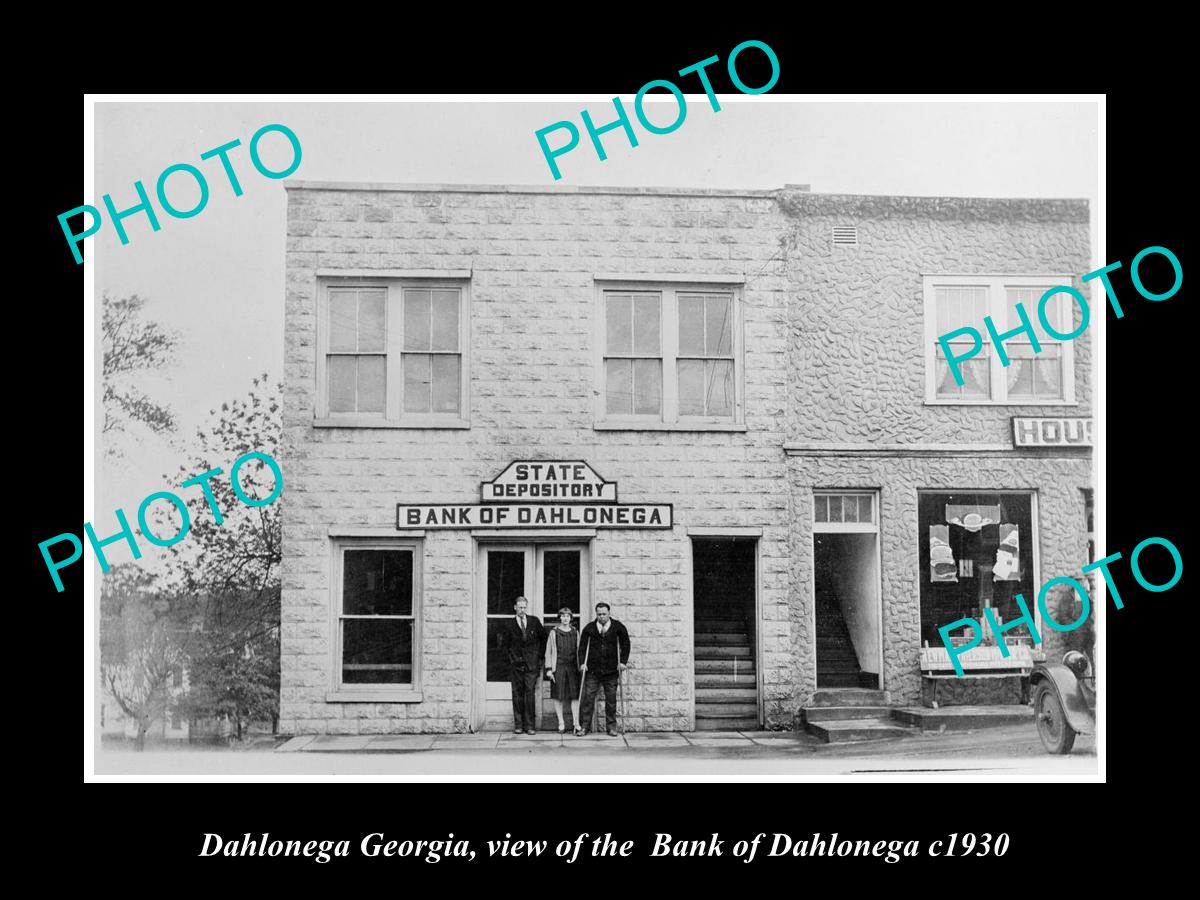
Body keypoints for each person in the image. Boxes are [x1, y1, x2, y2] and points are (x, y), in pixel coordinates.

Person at [578, 602, 631, 736]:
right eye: (599, 614)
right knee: (588, 699)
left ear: (609, 613)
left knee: (611, 700)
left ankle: (612, 728)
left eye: (604, 614)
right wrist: (582, 663)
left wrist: (623, 662)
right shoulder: (589, 628)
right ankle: (584, 727)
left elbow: (626, 644)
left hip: (611, 671)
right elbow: (582, 647)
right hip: (593, 671)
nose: (601, 617)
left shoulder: (618, 627)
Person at [506, 596, 546, 734]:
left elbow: (543, 639)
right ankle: (518, 725)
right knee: (517, 695)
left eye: (524, 607)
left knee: (529, 694)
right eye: (520, 607)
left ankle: (530, 726)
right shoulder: (509, 624)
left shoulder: (534, 621)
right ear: (515, 607)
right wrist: (512, 659)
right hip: (516, 666)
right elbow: (504, 645)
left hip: (531, 666)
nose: (522, 610)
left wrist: (539, 658)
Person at [544, 607, 582, 735]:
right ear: (559, 617)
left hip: (572, 668)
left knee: (575, 696)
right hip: (558, 667)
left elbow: (580, 651)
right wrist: (549, 669)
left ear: (571, 618)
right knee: (558, 696)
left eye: (568, 616)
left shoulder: (575, 632)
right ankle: (561, 723)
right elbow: (548, 652)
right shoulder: (554, 633)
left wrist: (581, 666)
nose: (565, 618)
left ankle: (576, 722)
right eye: (563, 616)